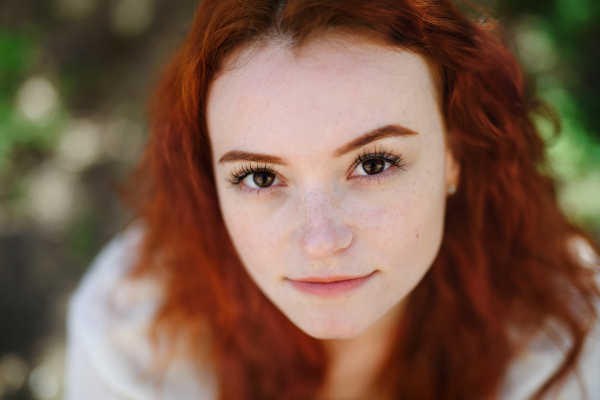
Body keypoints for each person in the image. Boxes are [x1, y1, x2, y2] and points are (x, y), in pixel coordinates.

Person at [65, 0, 600, 399]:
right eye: (258, 177)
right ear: (209, 179)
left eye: (373, 164)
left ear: (453, 158)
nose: (321, 242)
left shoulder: (563, 334)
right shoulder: (127, 346)